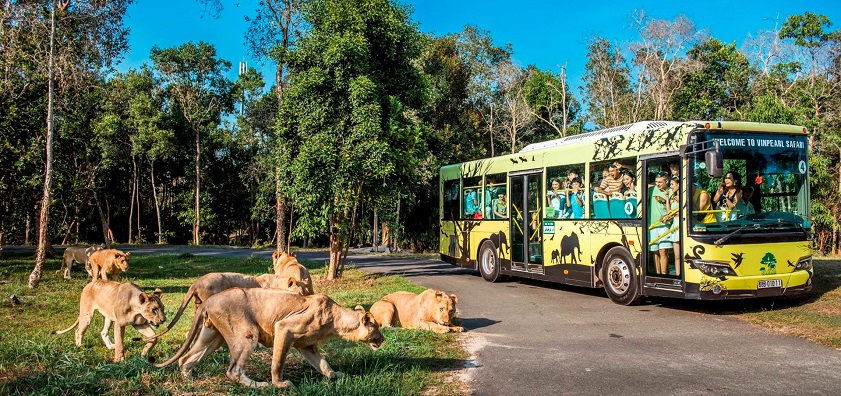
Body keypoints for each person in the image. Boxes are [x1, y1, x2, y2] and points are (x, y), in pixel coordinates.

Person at [649, 172, 671, 275]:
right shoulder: (652, 189)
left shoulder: (670, 191)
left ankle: (664, 273)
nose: (657, 184)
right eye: (656, 182)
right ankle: (657, 273)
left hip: (664, 225)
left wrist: (664, 200)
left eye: (660, 182)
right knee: (655, 251)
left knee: (663, 251)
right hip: (652, 224)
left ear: (666, 181)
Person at [665, 176, 681, 276]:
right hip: (675, 223)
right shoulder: (673, 197)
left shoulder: (683, 196)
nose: (671, 187)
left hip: (681, 223)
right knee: (677, 255)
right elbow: (668, 211)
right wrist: (667, 197)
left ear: (679, 184)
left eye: (672, 184)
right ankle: (678, 274)